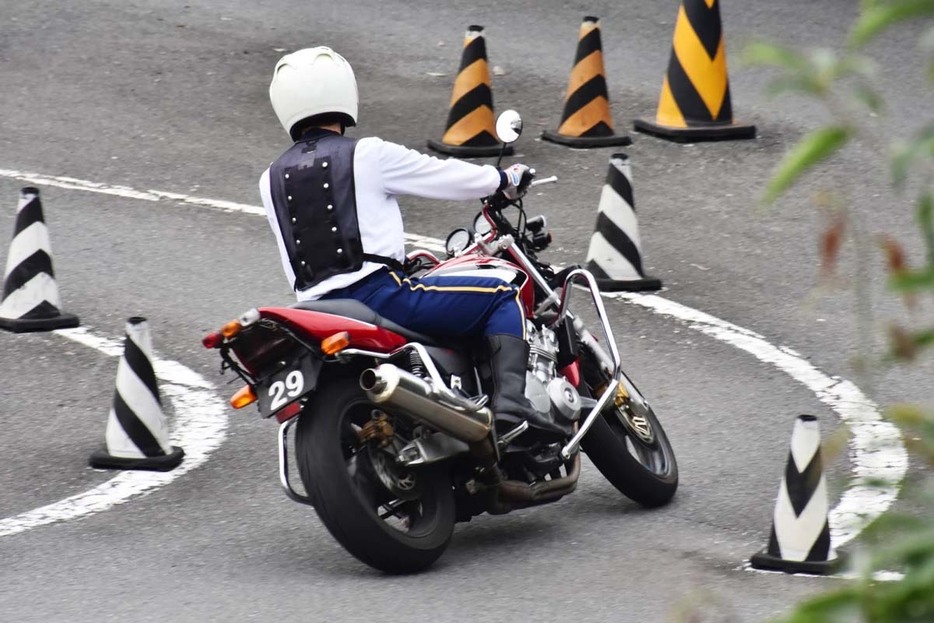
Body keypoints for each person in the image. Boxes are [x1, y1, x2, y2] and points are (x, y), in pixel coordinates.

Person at [259, 46, 568, 441]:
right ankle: (511, 403)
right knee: (499, 294)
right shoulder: (366, 154)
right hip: (381, 296)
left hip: (316, 310)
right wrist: (503, 181)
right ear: (343, 92)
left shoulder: (269, 179)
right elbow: (441, 175)